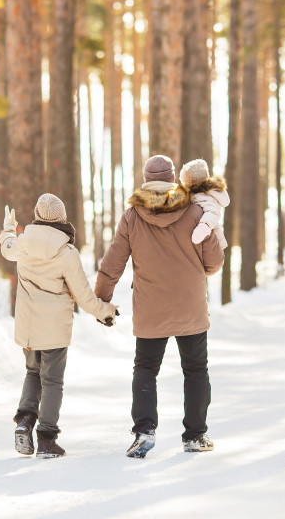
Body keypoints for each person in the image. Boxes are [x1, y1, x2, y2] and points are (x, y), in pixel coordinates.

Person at [94, 155, 225, 458]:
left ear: (145, 179)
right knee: (195, 369)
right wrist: (195, 271)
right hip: (190, 304)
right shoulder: (195, 211)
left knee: (146, 368)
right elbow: (214, 261)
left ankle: (144, 431)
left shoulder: (132, 216)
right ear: (173, 178)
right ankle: (195, 435)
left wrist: (102, 300)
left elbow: (113, 263)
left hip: (150, 306)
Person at [0, 193, 118, 459]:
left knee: (32, 373)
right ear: (62, 218)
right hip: (54, 329)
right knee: (52, 381)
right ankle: (47, 440)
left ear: (38, 217)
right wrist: (105, 312)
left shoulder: (23, 244)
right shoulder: (66, 252)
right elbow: (83, 295)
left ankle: (24, 423)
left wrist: (9, 228)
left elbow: (7, 248)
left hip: (28, 327)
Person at [179, 158, 229, 249]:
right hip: (212, 240)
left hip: (210, 241)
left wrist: (202, 229)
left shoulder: (202, 196)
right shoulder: (206, 192)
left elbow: (213, 213)